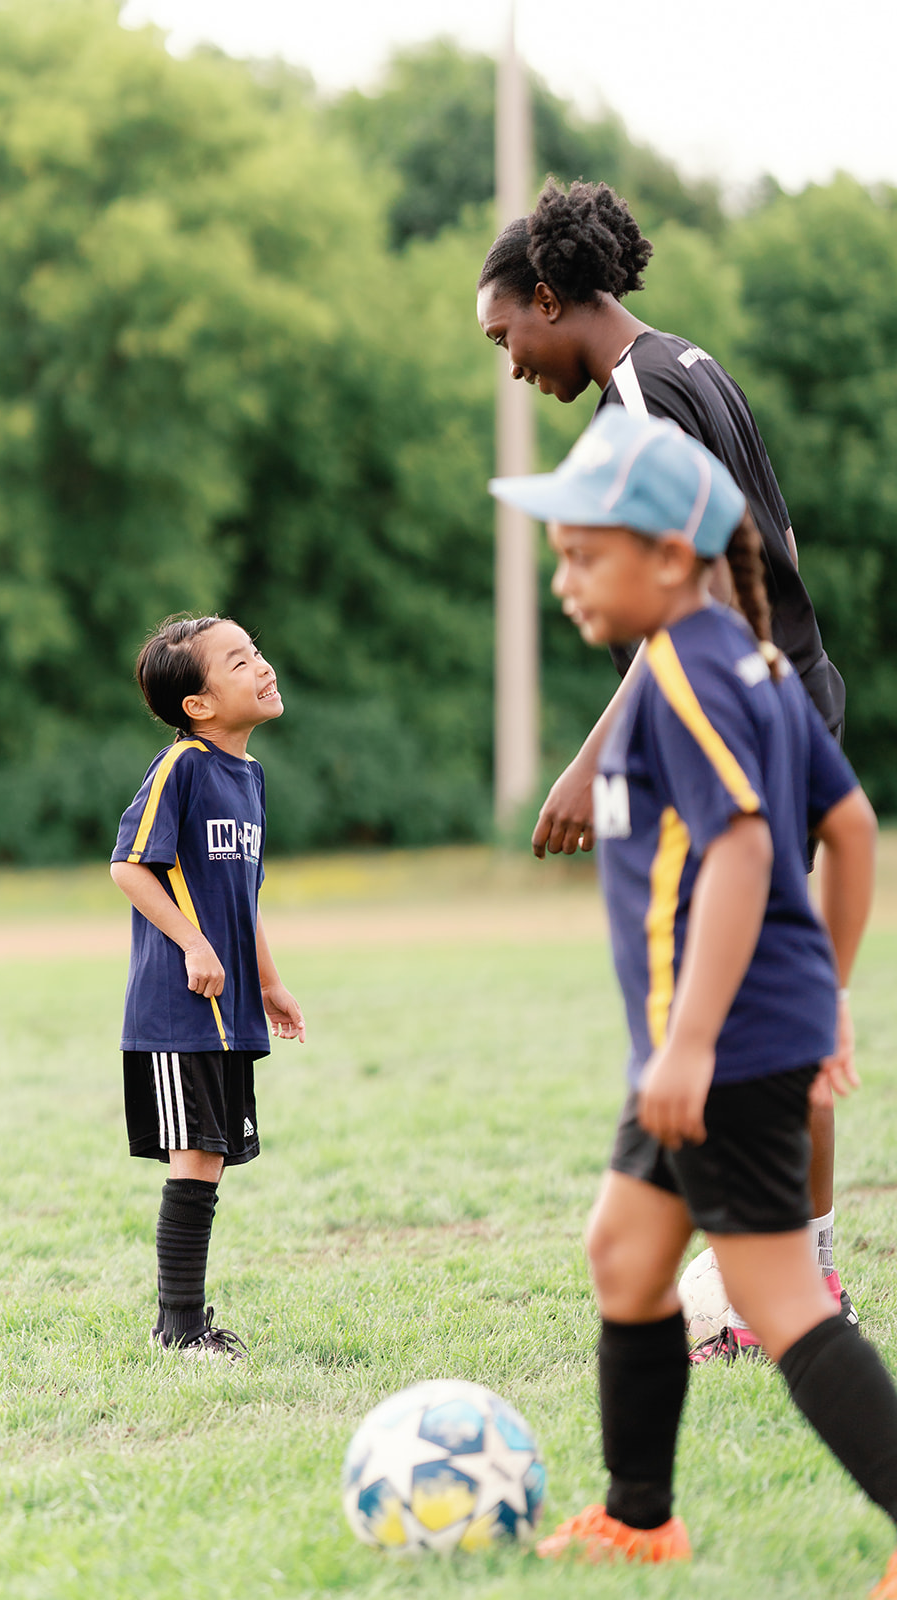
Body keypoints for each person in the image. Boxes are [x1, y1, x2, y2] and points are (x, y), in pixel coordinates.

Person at [489, 409, 897, 1592]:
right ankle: (638, 1516)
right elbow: (851, 828)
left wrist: (695, 1044)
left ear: (669, 557)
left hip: (709, 1055)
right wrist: (824, 998)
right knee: (623, 1255)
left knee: (778, 1303)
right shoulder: (752, 663)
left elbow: (735, 853)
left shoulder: (684, 673)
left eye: (582, 555)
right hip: (716, 1045)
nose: (564, 582)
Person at [477, 177, 853, 1347]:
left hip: (742, 723)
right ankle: (794, 1268)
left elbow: (687, 586)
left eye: (505, 336)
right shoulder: (692, 363)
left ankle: (785, 1280)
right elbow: (769, 538)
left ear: (549, 298)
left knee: (743, 1005)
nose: (510, 365)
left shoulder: (636, 398)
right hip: (786, 699)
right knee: (770, 999)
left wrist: (594, 756)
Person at [110, 614, 306, 1361]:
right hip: (176, 1010)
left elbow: (242, 895)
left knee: (212, 1156)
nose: (262, 665)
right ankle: (179, 1329)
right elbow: (129, 865)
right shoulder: (182, 767)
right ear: (198, 705)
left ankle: (184, 1323)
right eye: (238, 660)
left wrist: (271, 980)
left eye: (257, 650)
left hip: (229, 1007)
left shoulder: (250, 778)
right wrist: (192, 942)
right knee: (195, 1154)